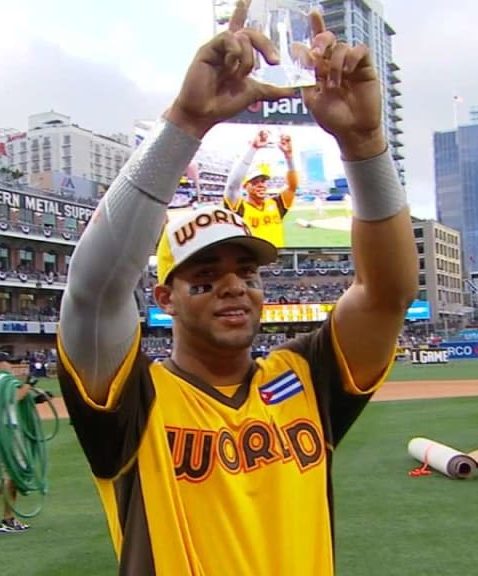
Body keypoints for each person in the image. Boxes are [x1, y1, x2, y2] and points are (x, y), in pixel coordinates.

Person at [56, 4, 418, 574]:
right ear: (165, 299)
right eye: (204, 277)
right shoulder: (131, 401)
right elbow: (93, 291)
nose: (233, 286)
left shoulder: (304, 379)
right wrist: (184, 123)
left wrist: (367, 142)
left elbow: (387, 293)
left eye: (246, 273)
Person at [0, 352, 49, 534]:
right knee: (14, 475)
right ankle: (7, 519)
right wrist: (29, 385)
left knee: (9, 473)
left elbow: (11, 402)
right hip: (6, 433)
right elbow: (14, 397)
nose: (10, 366)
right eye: (8, 362)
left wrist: (35, 399)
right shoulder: (1, 380)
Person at [222, 129, 298, 248]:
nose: (261, 185)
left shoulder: (276, 203)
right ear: (245, 186)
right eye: (255, 182)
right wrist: (253, 148)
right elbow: (232, 186)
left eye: (263, 181)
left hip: (278, 260)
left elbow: (292, 187)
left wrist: (289, 157)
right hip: (254, 261)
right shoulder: (239, 208)